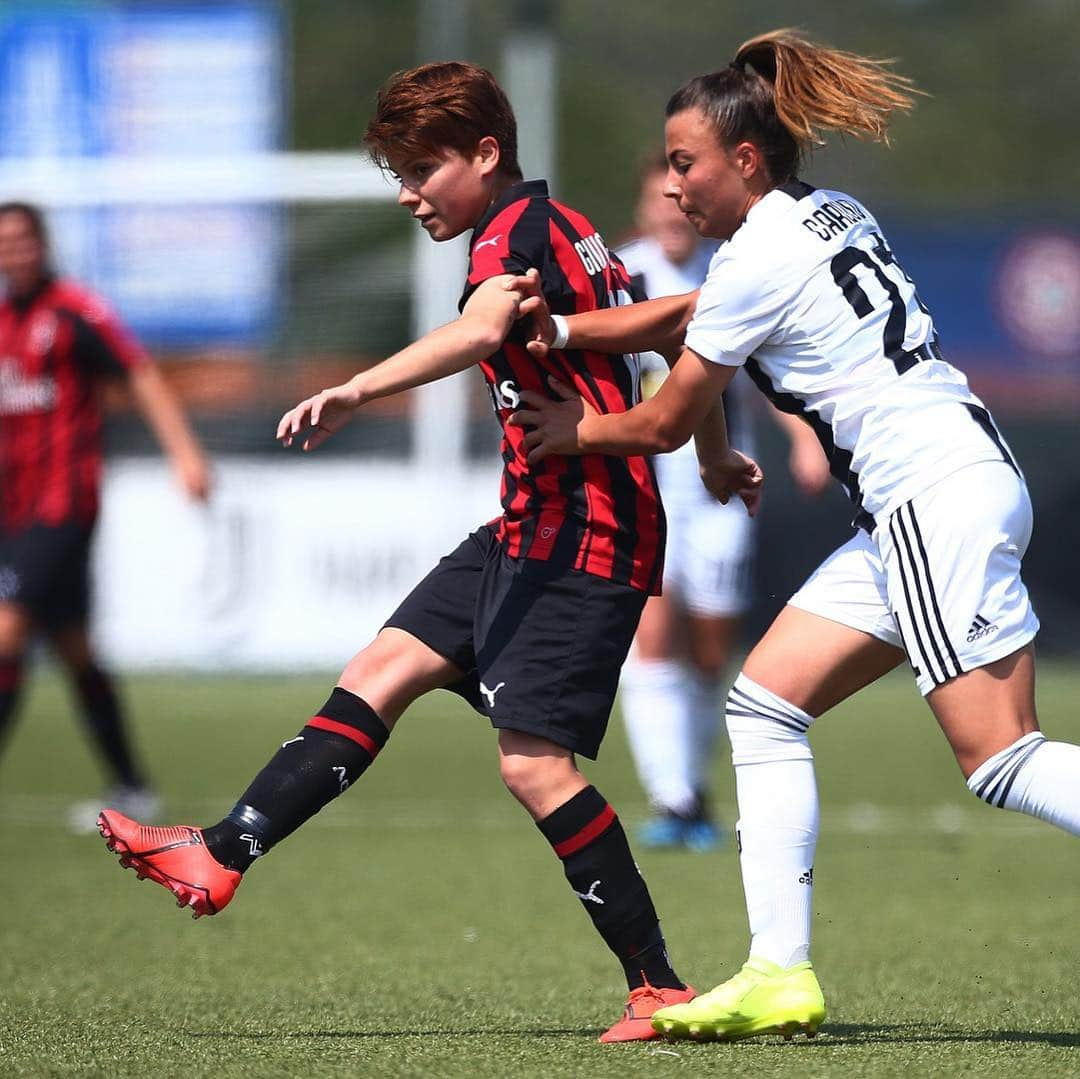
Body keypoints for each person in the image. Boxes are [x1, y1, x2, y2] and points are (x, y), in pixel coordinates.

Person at [96, 61, 699, 1043]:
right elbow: (670, 338)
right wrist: (705, 449)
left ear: (487, 154)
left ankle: (659, 983)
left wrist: (358, 388)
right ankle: (222, 849)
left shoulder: (526, 234)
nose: (411, 192)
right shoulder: (554, 226)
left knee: (534, 766)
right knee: (381, 667)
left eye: (423, 169)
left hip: (588, 531)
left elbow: (488, 331)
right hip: (526, 520)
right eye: (400, 173)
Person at [509, 29, 1080, 1043]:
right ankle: (779, 970)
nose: (673, 181)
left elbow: (663, 420)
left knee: (998, 757)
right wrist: (567, 330)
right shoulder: (826, 214)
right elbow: (690, 311)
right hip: (940, 488)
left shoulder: (755, 258)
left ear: (745, 160)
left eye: (684, 161)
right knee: (765, 704)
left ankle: (779, 965)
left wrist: (573, 429)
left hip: (928, 499)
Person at [617, 156, 828, 850]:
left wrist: (804, 440)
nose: (673, 215)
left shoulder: (730, 270)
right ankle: (672, 795)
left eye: (681, 203)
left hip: (717, 483)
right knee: (651, 636)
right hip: (643, 481)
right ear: (645, 211)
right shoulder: (621, 277)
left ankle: (691, 786)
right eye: (660, 203)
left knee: (709, 651)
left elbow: (769, 370)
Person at [0, 201, 211, 830]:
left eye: (23, 240)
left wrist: (185, 454)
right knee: (75, 650)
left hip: (63, 505)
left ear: (42, 246)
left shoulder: (75, 311)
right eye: (4, 242)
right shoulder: (4, 322)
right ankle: (132, 786)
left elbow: (140, 375)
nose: (14, 252)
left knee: (7, 634)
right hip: (13, 510)